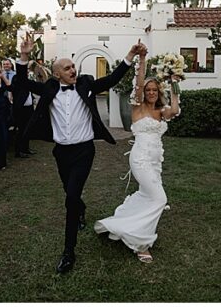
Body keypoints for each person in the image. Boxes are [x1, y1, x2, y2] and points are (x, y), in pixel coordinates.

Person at [12, 35, 142, 274]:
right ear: (57, 74)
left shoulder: (85, 84)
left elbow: (112, 79)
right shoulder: (50, 89)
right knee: (70, 194)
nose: (73, 70)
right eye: (67, 68)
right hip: (61, 152)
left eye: (73, 66)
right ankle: (80, 208)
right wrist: (24, 56)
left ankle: (68, 252)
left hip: (84, 151)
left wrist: (130, 56)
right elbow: (21, 83)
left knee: (70, 197)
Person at [95, 45, 181, 263]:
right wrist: (142, 60)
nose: (151, 92)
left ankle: (123, 221)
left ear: (159, 92)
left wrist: (174, 82)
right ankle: (140, 243)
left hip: (155, 160)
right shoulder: (137, 107)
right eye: (148, 90)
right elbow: (139, 82)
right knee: (160, 199)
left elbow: (175, 109)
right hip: (140, 158)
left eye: (154, 90)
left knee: (147, 195)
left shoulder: (161, 112)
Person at [10, 60, 36, 159]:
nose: (28, 71)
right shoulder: (16, 78)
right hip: (20, 108)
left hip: (29, 107)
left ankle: (26, 148)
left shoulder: (29, 79)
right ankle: (18, 151)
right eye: (26, 70)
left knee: (28, 128)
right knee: (20, 130)